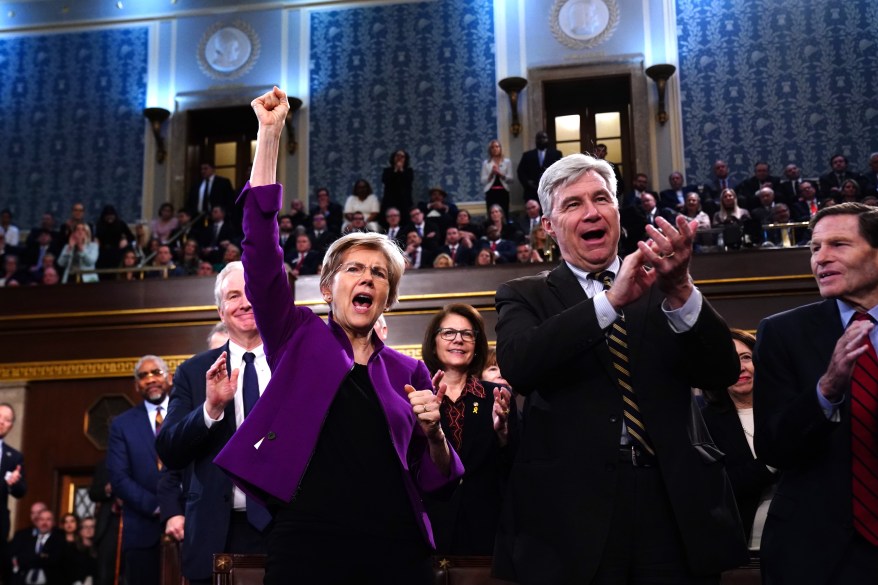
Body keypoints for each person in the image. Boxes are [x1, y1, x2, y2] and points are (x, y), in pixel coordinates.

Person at [213, 87, 463, 584]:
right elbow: (260, 250)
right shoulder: (298, 336)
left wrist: (435, 432)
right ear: (328, 288)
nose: (367, 278)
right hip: (308, 540)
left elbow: (436, 477)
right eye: (353, 268)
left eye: (378, 273)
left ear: (388, 296)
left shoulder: (408, 372)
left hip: (395, 545)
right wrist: (269, 135)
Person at [492, 153, 747, 584]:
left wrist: (682, 289)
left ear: (617, 211)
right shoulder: (524, 294)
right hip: (572, 513)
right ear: (550, 226)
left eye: (601, 199)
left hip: (671, 502)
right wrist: (609, 303)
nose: (591, 212)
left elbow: (721, 371)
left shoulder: (664, 285)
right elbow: (519, 364)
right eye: (573, 204)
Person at [754, 202, 878, 583]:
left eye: (838, 245)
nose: (820, 259)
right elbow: (773, 448)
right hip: (814, 554)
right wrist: (827, 390)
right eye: (814, 248)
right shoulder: (781, 334)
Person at [155, 263, 270, 585]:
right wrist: (211, 408)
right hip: (216, 532)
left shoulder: (295, 362)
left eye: (252, 293)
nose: (245, 303)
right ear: (222, 311)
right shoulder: (194, 372)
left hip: (289, 530)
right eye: (234, 296)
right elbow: (170, 450)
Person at [420, 304, 514, 554]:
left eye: (467, 334)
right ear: (433, 343)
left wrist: (503, 434)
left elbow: (517, 467)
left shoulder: (497, 396)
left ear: (477, 345)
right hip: (425, 526)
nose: (458, 340)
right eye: (448, 333)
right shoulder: (416, 393)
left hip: (486, 528)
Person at [701, 329, 778, 547]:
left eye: (746, 358)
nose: (740, 367)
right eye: (729, 360)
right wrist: (771, 464)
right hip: (739, 543)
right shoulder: (703, 422)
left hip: (799, 537)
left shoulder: (788, 410)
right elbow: (715, 486)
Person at [107, 355, 170, 585]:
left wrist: (178, 507)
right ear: (136, 385)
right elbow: (118, 477)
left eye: (156, 373)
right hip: (143, 530)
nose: (150, 379)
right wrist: (158, 507)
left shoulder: (188, 413)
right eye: (143, 376)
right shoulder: (122, 424)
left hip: (190, 524)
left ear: (169, 378)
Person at [0, 403, 25, 582]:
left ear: (11, 426)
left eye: (7, 420)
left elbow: (21, 490)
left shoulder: (14, 456)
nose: (2, 422)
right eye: (0, 417)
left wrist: (13, 484)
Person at [8, 507, 64, 585]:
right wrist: (42, 557)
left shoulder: (59, 540)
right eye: (41, 519)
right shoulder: (26, 539)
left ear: (53, 523)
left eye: (48, 519)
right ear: (37, 522)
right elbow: (21, 559)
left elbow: (55, 561)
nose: (44, 523)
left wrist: (33, 558)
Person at [517, 131, 562, 203]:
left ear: (548, 139)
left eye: (544, 138)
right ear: (535, 140)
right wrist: (527, 182)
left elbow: (560, 170)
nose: (541, 140)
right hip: (531, 192)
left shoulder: (556, 154)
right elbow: (520, 171)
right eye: (539, 138)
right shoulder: (527, 155)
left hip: (550, 191)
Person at [94, 205, 135, 277]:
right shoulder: (99, 224)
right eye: (108, 216)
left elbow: (131, 237)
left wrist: (125, 240)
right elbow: (95, 236)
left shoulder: (120, 224)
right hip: (103, 254)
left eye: (111, 216)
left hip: (117, 253)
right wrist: (95, 239)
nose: (110, 218)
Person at [480, 139, 514, 218]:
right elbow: (483, 180)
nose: (495, 149)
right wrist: (491, 174)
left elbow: (511, 179)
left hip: (503, 192)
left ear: (500, 148)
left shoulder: (507, 162)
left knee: (504, 213)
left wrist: (500, 174)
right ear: (490, 150)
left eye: (497, 146)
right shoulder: (486, 163)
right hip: (491, 192)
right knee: (492, 213)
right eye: (492, 147)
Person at [381, 149, 414, 217]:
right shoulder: (387, 171)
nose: (399, 158)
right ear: (393, 158)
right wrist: (395, 170)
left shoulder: (409, 171)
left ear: (405, 159)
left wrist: (401, 170)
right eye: (397, 156)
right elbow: (386, 181)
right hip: (390, 200)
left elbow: (408, 181)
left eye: (402, 156)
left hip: (404, 201)